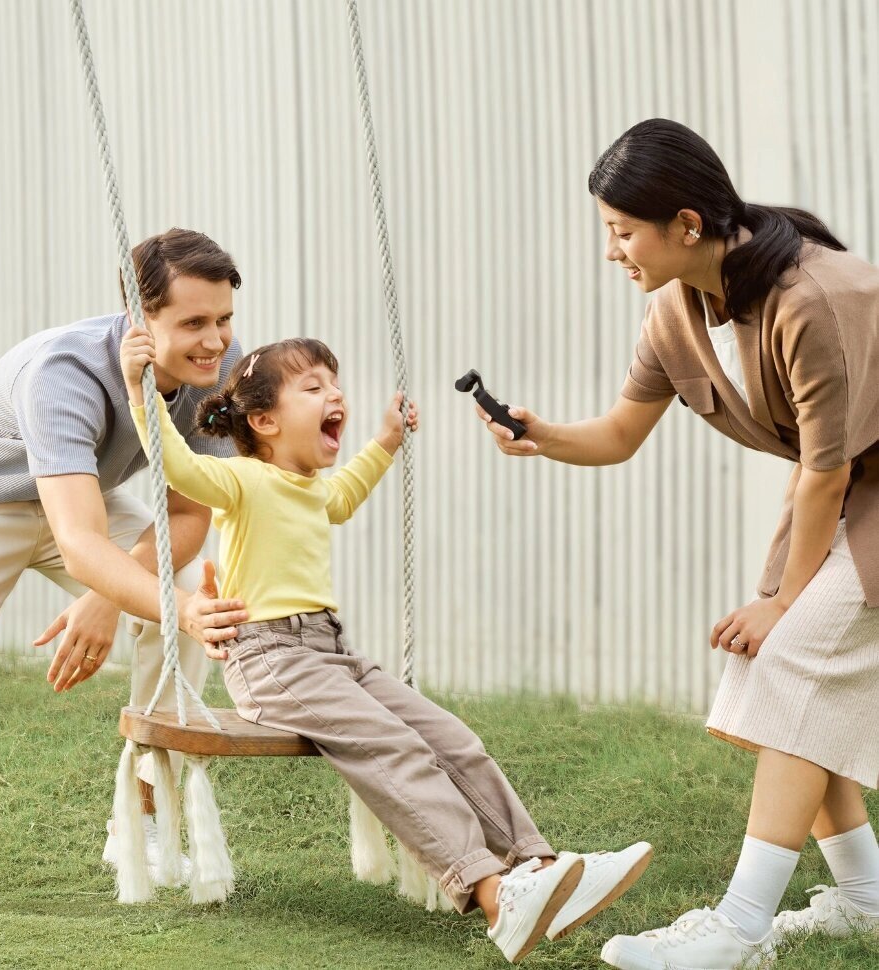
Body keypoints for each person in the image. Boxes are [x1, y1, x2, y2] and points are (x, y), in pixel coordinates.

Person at [476, 118, 879, 969]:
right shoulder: (675, 310)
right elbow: (621, 433)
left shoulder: (811, 298)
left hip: (849, 486)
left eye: (623, 232)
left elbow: (827, 471)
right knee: (783, 675)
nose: (611, 251)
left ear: (687, 225)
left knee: (793, 659)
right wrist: (542, 435)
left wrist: (782, 602)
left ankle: (740, 930)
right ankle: (864, 900)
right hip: (845, 491)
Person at [121, 330, 653, 963]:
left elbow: (345, 495)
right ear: (264, 421)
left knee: (452, 738)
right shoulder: (241, 481)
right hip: (270, 660)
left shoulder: (312, 489)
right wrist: (140, 392)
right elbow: (178, 466)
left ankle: (535, 867)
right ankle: (493, 895)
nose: (334, 394)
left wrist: (385, 442)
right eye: (313, 387)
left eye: (335, 383)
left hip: (330, 654)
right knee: (396, 748)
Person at [0, 227, 248, 884]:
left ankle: (143, 816)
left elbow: (189, 513)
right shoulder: (64, 373)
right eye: (194, 323)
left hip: (80, 498)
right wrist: (119, 590)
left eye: (224, 319)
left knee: (184, 587)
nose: (215, 341)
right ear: (141, 319)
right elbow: (81, 543)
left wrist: (108, 598)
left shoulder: (219, 368)